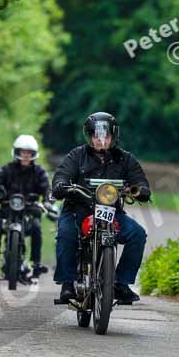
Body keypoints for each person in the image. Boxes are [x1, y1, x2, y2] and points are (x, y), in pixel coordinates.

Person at [52, 112, 151, 304]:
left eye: (105, 135)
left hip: (111, 213)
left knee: (137, 234)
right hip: (78, 211)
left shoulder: (126, 159)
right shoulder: (76, 156)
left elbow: (140, 181)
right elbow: (62, 175)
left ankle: (121, 284)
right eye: (96, 135)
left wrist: (140, 190)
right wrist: (61, 185)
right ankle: (67, 283)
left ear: (113, 136)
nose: (101, 140)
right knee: (66, 234)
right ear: (90, 136)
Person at [0, 134, 52, 279]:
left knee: (36, 228)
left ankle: (36, 263)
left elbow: (48, 189)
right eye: (23, 152)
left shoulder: (39, 172)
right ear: (17, 152)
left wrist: (47, 201)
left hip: (31, 210)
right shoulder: (7, 169)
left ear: (34, 154)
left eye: (29, 153)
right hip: (7, 209)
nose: (26, 156)